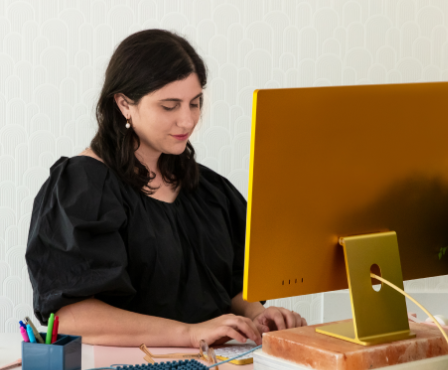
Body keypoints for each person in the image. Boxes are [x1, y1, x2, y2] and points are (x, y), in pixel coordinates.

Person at [25, 29, 306, 347]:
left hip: (219, 369)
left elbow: (233, 284)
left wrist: (256, 315)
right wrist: (188, 333)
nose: (187, 121)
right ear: (124, 104)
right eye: (170, 106)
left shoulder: (208, 189)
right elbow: (73, 317)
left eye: (195, 103)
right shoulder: (81, 188)